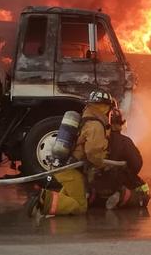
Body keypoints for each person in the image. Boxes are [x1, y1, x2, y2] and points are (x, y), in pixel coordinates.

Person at [29, 89, 114, 218]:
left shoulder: (85, 119)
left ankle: (45, 199)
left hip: (62, 166)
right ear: (105, 107)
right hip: (70, 169)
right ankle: (42, 201)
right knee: (80, 206)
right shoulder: (96, 125)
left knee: (69, 197)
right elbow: (92, 152)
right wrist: (101, 164)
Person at [91, 106, 150, 210]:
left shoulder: (96, 139)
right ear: (121, 124)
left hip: (95, 182)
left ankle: (93, 198)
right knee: (144, 193)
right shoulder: (125, 141)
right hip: (116, 182)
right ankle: (121, 196)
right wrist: (127, 174)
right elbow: (137, 164)